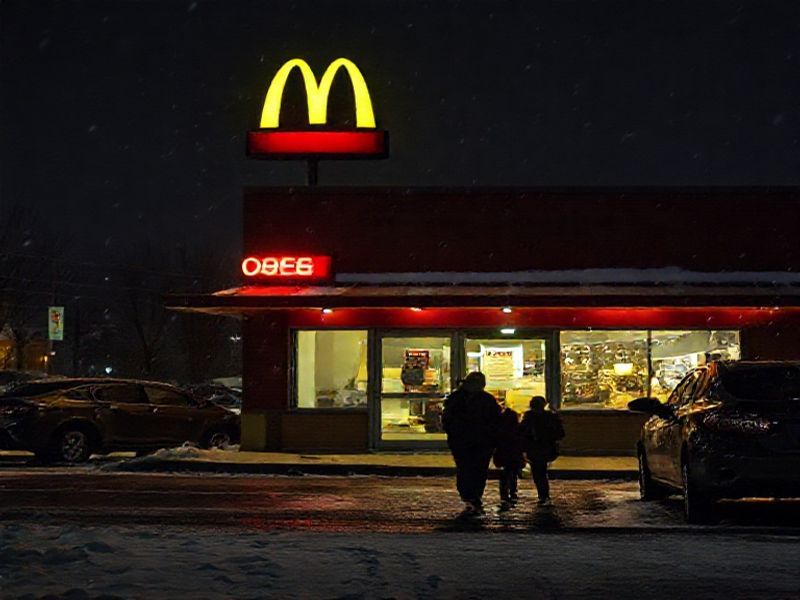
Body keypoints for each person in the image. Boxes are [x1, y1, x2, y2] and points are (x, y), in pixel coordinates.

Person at [442, 371, 502, 514]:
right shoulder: (485, 399)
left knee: (467, 468)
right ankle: (472, 495)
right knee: (476, 468)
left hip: (468, 440)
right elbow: (496, 420)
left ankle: (470, 495)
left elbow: (447, 419)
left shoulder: (457, 398)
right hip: (477, 441)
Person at [520, 396, 565, 505]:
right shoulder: (550, 417)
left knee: (538, 472)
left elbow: (522, 432)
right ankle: (544, 494)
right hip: (546, 447)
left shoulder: (529, 417)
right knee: (541, 470)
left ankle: (543, 494)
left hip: (534, 448)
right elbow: (560, 433)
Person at [492, 404, 525, 509]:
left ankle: (504, 494)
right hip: (514, 456)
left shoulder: (500, 430)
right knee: (513, 474)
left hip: (503, 455)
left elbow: (495, 443)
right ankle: (513, 492)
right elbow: (521, 443)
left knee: (504, 476)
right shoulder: (517, 430)